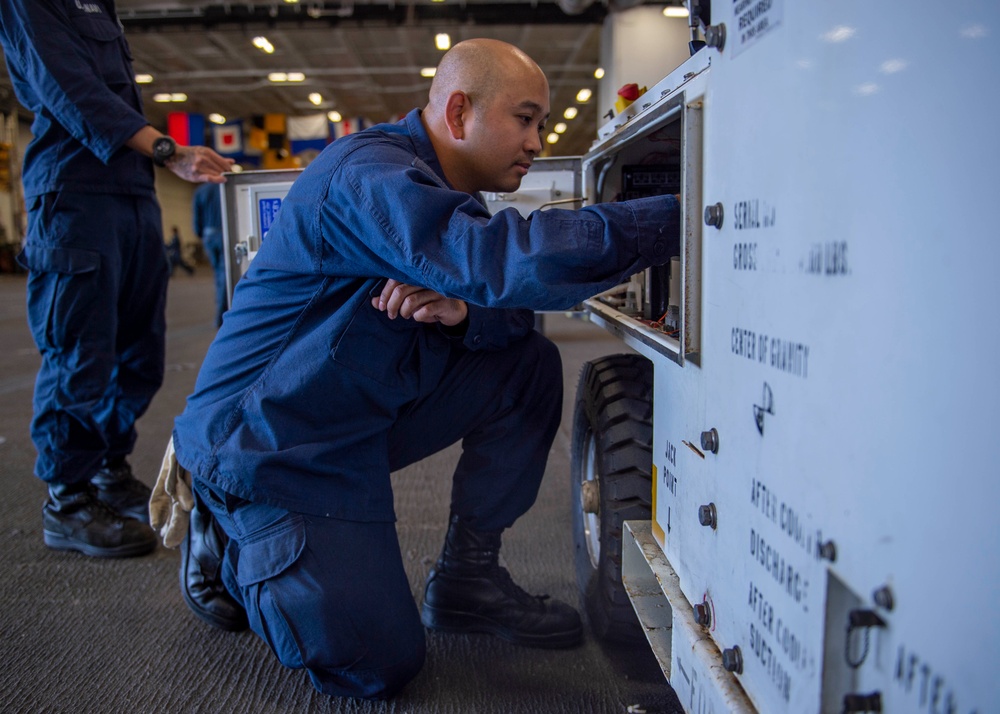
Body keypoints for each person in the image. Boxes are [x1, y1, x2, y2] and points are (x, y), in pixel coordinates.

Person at [160, 38, 679, 699]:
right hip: (266, 446)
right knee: (376, 666)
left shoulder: (442, 192)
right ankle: (225, 537)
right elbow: (503, 262)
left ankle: (468, 579)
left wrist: (463, 313)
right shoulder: (369, 174)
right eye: (525, 119)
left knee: (526, 363)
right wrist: (678, 217)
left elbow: (505, 306)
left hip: (344, 419)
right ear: (458, 111)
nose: (537, 141)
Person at [0, 0, 233, 558]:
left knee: (140, 354)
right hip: (75, 195)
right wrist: (166, 148)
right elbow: (71, 89)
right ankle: (68, 498)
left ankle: (108, 468)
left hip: (131, 195)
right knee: (80, 354)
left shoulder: (98, 3)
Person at [192, 182, 228, 326]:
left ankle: (220, 313)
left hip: (209, 236)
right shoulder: (224, 187)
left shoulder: (200, 191)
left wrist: (201, 234)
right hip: (225, 234)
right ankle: (222, 314)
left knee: (217, 275)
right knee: (224, 275)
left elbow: (196, 220)